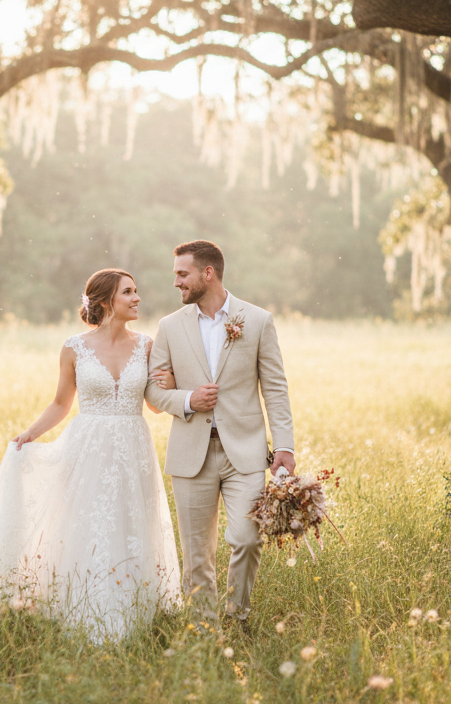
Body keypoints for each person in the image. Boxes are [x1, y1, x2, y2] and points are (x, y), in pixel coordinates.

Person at [0, 269, 181, 641]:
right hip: (87, 447)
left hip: (133, 446)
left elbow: (157, 407)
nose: (137, 298)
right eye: (128, 292)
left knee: (130, 523)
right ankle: (82, 602)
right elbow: (61, 403)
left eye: (136, 291)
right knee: (88, 523)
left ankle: (132, 605)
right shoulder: (74, 348)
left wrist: (171, 382)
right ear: (104, 302)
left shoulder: (147, 345)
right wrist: (30, 434)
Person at [145, 240, 295, 632]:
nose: (176, 281)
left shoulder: (258, 320)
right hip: (190, 452)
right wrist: (188, 399)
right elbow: (153, 389)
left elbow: (275, 389)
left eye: (182, 273)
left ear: (207, 273)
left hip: (244, 454)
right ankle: (204, 628)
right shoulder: (169, 326)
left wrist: (284, 446)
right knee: (197, 555)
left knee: (246, 538)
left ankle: (238, 618)